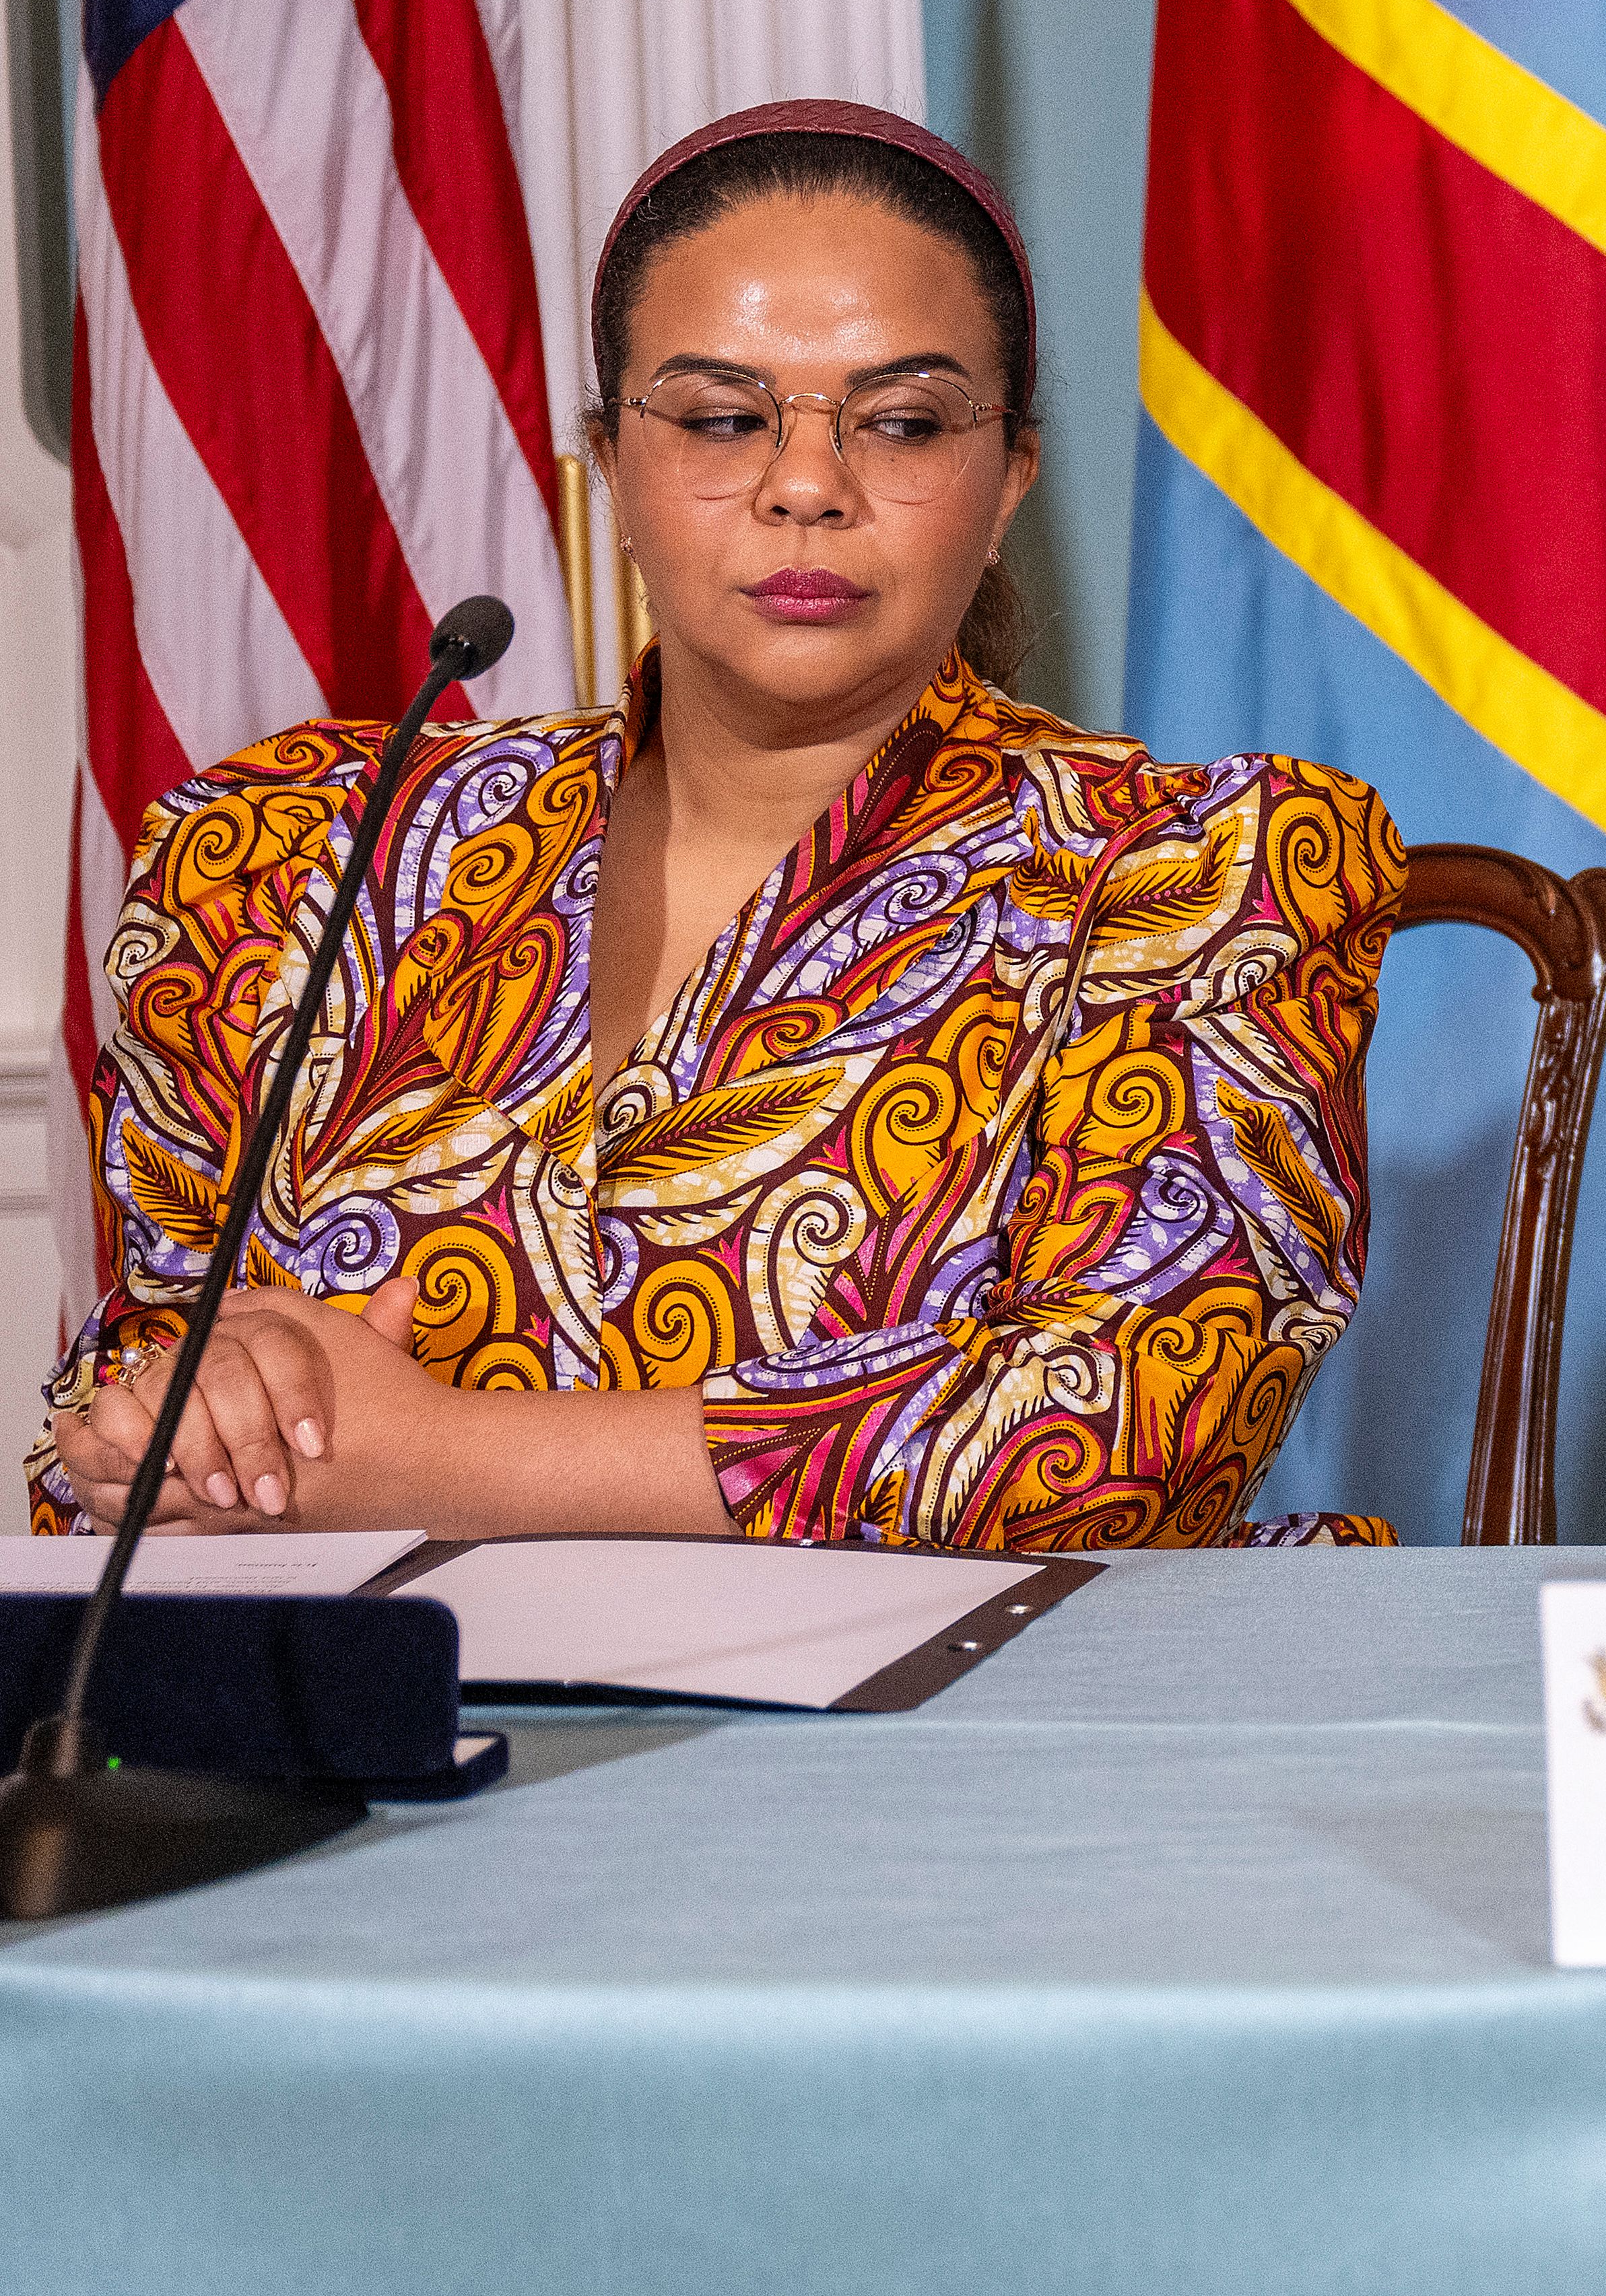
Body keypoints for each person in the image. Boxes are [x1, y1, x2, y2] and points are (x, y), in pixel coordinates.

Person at [44, 100, 1407, 1552]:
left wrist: (430, 1454)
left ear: (1007, 479)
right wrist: (185, 1418)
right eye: (716, 417)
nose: (805, 485)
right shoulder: (290, 857)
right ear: (609, 464)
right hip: (392, 1733)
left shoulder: (1198, 869)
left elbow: (1127, 1437)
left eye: (901, 422)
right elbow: (120, 1398)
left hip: (969, 1744)